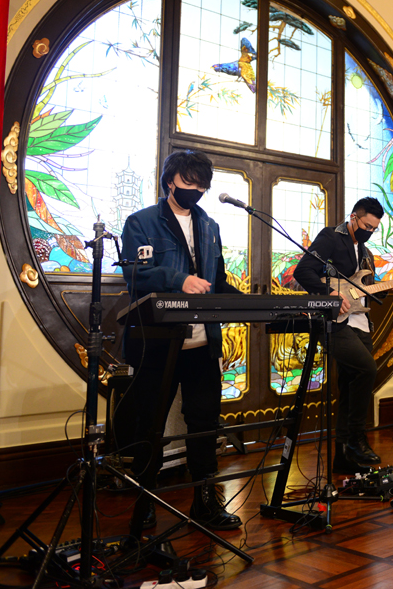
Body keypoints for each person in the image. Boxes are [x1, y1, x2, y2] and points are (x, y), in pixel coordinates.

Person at [119, 149, 242, 532]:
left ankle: (205, 502)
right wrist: (179, 280)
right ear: (170, 181)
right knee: (149, 425)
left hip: (203, 344)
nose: (196, 190)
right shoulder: (141, 222)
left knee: (204, 424)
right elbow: (135, 275)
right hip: (158, 343)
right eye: (189, 182)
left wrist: (251, 304)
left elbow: (216, 281)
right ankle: (144, 504)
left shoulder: (209, 225)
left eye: (202, 185)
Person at [294, 196, 393, 475]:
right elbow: (303, 271)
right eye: (366, 226)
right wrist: (329, 294)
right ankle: (356, 437)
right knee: (367, 369)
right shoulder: (331, 236)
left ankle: (342, 456)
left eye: (374, 229)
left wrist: (389, 286)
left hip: (360, 321)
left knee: (350, 383)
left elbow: (364, 288)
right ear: (354, 217)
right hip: (335, 321)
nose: (370, 231)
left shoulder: (365, 252)